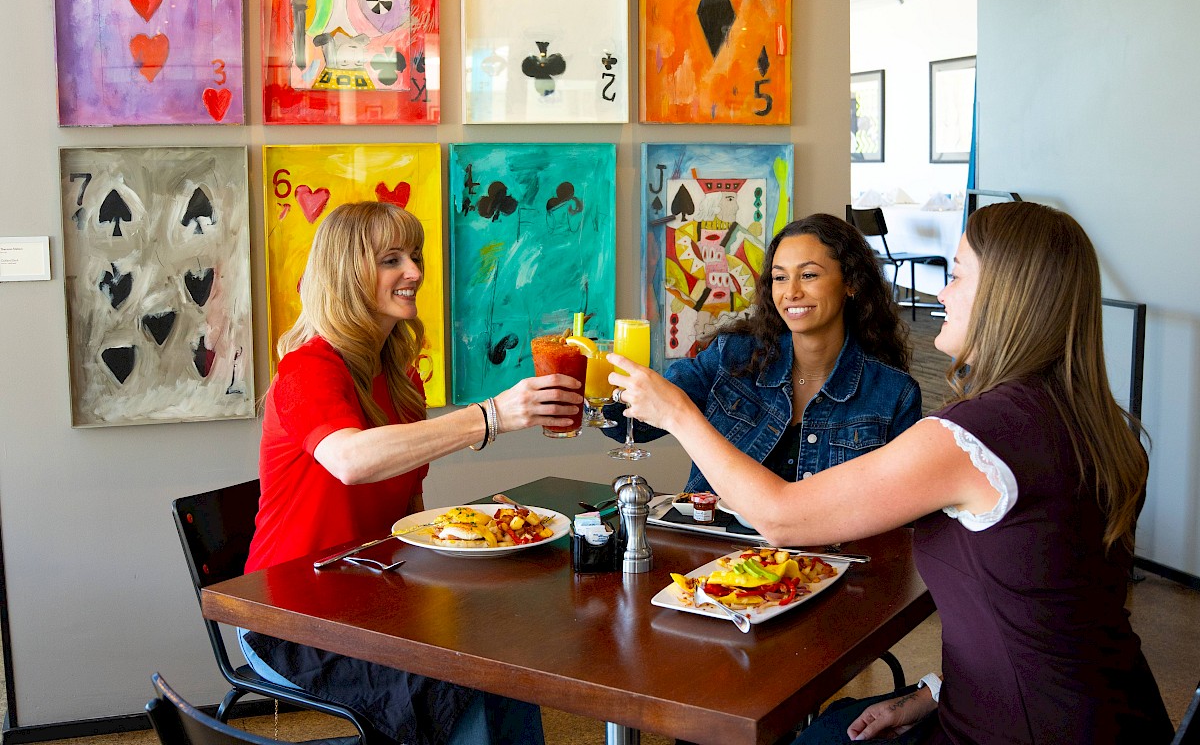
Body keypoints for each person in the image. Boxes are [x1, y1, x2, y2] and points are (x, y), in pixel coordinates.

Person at [607, 202, 1174, 744]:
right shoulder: (1101, 427)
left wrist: (678, 412)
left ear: (1009, 297)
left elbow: (780, 518)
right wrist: (930, 691)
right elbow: (1056, 617)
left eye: (955, 274)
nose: (940, 293)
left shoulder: (968, 436)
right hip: (1109, 714)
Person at [240, 201, 582, 745]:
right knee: (454, 678)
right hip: (291, 610)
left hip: (371, 592)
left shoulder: (399, 378)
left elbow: (405, 515)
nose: (416, 273)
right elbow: (351, 461)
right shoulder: (308, 368)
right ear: (347, 271)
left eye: (415, 257)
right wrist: (489, 417)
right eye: (392, 259)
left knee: (501, 651)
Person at [607, 213, 921, 493]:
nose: (791, 292)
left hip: (829, 557)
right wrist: (585, 403)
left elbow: (901, 514)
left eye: (808, 275)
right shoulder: (733, 356)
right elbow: (635, 424)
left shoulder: (894, 394)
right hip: (717, 553)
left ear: (850, 283)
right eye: (780, 277)